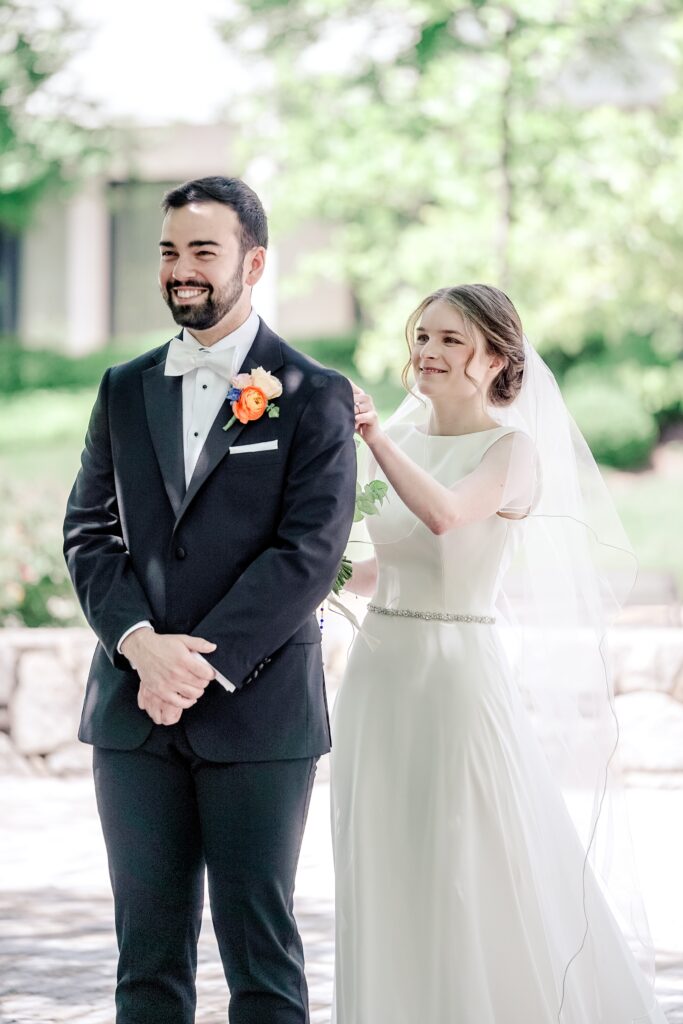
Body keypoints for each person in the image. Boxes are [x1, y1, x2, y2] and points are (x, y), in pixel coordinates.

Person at [63, 175, 357, 1024]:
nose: (180, 269)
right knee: (145, 957)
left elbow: (308, 551)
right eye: (167, 251)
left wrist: (200, 663)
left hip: (259, 710)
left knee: (260, 957)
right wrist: (138, 644)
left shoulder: (312, 393)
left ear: (253, 262)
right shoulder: (123, 387)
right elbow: (90, 532)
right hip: (131, 710)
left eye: (202, 251)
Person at [330, 284, 668, 1023]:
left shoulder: (511, 452)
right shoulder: (404, 439)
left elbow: (447, 519)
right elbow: (390, 564)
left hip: (452, 674)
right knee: (379, 857)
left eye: (451, 340)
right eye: (421, 336)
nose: (429, 352)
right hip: (377, 672)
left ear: (495, 359)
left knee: (460, 855)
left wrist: (372, 438)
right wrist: (309, 576)